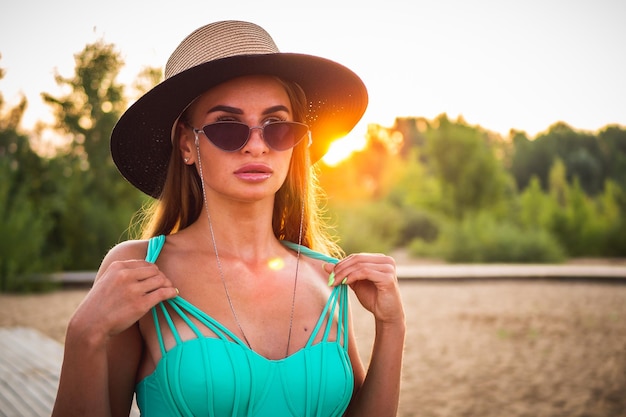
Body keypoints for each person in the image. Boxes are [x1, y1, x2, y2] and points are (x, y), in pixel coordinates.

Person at [52, 20, 405, 417]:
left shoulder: (328, 279)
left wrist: (392, 327)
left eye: (277, 126)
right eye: (226, 126)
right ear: (187, 144)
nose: (256, 145)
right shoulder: (138, 271)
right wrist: (84, 336)